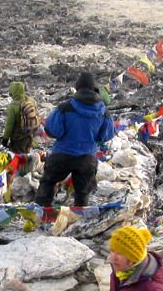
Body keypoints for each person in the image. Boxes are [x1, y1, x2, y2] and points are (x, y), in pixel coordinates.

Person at [34, 72, 113, 209]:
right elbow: (106, 135)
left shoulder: (65, 107)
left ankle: (42, 214)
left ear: (77, 88)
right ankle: (78, 219)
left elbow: (52, 130)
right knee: (82, 193)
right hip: (87, 158)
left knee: (48, 183)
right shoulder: (104, 112)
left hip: (62, 155)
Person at [1, 81, 40, 154]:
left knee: (18, 159)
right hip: (30, 136)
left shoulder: (13, 107)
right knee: (27, 156)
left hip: (18, 138)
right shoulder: (31, 100)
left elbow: (9, 126)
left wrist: (5, 140)